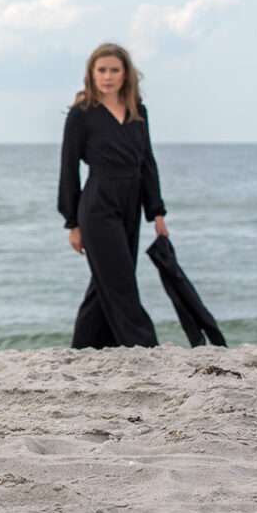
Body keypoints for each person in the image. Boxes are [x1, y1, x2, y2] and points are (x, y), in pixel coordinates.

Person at [57, 43, 169, 349]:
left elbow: (147, 162)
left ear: (126, 74)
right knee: (121, 282)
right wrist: (72, 223)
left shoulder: (138, 112)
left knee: (106, 281)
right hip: (97, 206)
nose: (107, 76)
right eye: (101, 70)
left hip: (130, 204)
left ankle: (84, 347)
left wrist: (156, 211)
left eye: (114, 70)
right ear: (91, 74)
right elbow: (68, 168)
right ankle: (146, 346)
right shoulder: (82, 115)